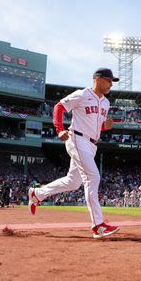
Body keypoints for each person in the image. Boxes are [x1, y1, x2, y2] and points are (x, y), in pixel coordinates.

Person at [27, 68, 120, 238]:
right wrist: (59, 129)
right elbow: (59, 107)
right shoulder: (82, 94)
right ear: (98, 79)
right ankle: (98, 225)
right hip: (77, 139)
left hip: (91, 144)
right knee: (93, 177)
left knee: (73, 182)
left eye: (112, 81)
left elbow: (95, 125)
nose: (111, 84)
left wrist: (104, 127)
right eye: (109, 80)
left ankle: (37, 194)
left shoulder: (106, 102)